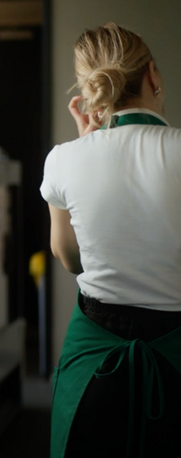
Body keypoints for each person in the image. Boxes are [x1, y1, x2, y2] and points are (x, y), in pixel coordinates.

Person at [41, 23, 181, 457]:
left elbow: (68, 258)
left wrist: (88, 146)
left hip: (94, 363)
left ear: (91, 94)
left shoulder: (64, 158)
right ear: (153, 76)